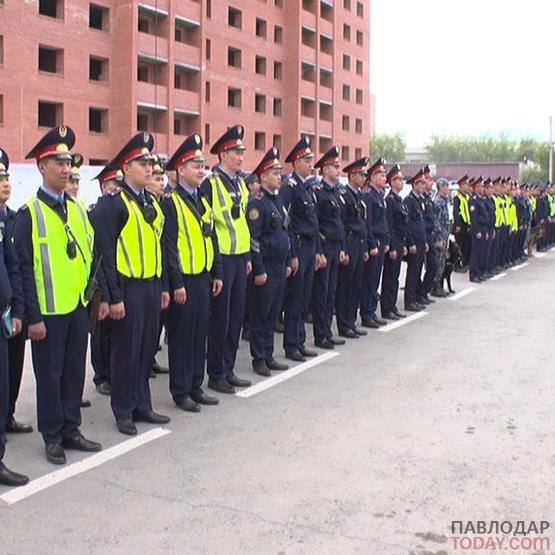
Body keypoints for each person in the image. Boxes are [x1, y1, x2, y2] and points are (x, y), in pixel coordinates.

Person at [13, 126, 102, 464]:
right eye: (58, 162)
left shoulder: (78, 209)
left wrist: (94, 299)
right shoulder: (30, 214)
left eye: (68, 162)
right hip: (47, 313)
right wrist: (33, 317)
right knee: (49, 377)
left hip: (77, 308)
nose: (66, 169)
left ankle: (71, 428)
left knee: (74, 372)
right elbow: (23, 269)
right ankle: (52, 436)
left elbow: (91, 256)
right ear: (41, 166)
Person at [95, 132, 170, 435]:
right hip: (128, 287)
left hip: (151, 285)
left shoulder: (151, 200)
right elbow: (106, 255)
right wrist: (113, 297)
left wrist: (163, 285)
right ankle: (123, 409)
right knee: (125, 350)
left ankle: (142, 404)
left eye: (151, 162)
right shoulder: (113, 203)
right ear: (126, 167)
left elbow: (159, 246)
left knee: (145, 348)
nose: (149, 167)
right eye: (142, 162)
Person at [163, 133, 222, 412]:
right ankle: (181, 389)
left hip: (203, 277)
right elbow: (170, 247)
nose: (201, 171)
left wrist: (217, 273)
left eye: (203, 165)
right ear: (181, 169)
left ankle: (196, 384)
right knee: (182, 336)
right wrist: (176, 283)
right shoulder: (171, 203)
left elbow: (213, 239)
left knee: (200, 333)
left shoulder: (204, 201)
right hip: (183, 280)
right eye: (195, 166)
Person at [200, 125, 252, 394]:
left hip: (240, 257)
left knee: (235, 317)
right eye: (235, 152)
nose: (241, 156)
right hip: (221, 258)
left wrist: (247, 256)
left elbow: (242, 223)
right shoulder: (211, 184)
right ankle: (216, 373)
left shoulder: (240, 183)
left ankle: (228, 369)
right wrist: (217, 266)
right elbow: (208, 226)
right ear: (222, 154)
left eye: (242, 152)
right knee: (219, 319)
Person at [246, 147, 291, 376]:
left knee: (273, 313)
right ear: (263, 177)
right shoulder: (257, 203)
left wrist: (288, 260)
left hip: (279, 265)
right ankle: (259, 358)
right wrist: (259, 269)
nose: (279, 176)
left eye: (279, 172)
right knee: (261, 314)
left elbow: (284, 230)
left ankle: (269, 353)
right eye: (274, 173)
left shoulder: (278, 200)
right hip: (266, 267)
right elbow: (254, 239)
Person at [0, 147, 29, 486]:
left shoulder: (7, 217)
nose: (6, 182)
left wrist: (17, 309)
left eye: (7, 176)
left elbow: (15, 267)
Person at [280, 137, 321, 362]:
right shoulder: (290, 188)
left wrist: (317, 250)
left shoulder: (307, 187)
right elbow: (287, 224)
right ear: (296, 162)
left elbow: (314, 223)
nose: (310, 163)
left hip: (310, 247)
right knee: (295, 299)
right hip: (298, 247)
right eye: (306, 160)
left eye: (311, 159)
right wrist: (292, 255)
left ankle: (300, 341)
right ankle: (291, 344)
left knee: (304, 298)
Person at [88, 161, 122, 396]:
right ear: (102, 186)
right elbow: (99, 252)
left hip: (117, 277)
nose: (115, 188)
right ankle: (101, 376)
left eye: (118, 184)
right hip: (99, 279)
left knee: (114, 333)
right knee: (100, 332)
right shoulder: (97, 211)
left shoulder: (120, 209)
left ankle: (112, 373)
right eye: (111, 184)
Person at [312, 146, 346, 350]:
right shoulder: (320, 192)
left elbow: (339, 223)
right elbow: (317, 223)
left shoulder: (335, 192)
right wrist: (320, 251)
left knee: (331, 292)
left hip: (335, 246)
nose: (338, 169)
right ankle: (320, 335)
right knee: (321, 293)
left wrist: (341, 247)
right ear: (325, 169)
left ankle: (327, 331)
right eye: (334, 166)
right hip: (324, 247)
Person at [335, 157, 369, 338]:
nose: (364, 177)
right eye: (362, 174)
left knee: (356, 285)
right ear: (352, 175)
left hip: (359, 244)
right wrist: (345, 249)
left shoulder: (360, 196)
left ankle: (351, 321)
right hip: (349, 243)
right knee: (345, 287)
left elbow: (362, 223)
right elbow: (343, 224)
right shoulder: (344, 195)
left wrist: (364, 248)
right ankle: (344, 324)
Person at [360, 158, 389, 328]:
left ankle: (371, 311)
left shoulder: (379, 195)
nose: (384, 177)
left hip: (381, 240)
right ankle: (366, 313)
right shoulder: (370, 196)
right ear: (372, 177)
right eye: (381, 174)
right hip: (374, 241)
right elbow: (368, 222)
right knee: (369, 280)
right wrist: (371, 244)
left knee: (375, 279)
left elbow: (383, 221)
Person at [381, 164, 408, 319]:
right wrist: (391, 246)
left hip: (399, 241)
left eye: (402, 179)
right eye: (398, 179)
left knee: (396, 276)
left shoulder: (399, 200)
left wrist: (403, 244)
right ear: (391, 182)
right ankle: (386, 308)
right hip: (393, 242)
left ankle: (392, 306)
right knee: (389, 276)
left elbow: (403, 225)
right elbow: (389, 224)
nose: (401, 181)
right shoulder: (390, 200)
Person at [403, 168, 428, 311]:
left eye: (424, 183)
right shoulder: (409, 201)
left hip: (420, 241)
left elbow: (421, 224)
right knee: (412, 272)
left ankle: (415, 298)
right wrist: (410, 242)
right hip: (413, 242)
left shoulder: (420, 200)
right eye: (421, 183)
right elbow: (408, 224)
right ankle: (409, 300)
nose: (424, 185)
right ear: (414, 184)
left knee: (417, 271)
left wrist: (423, 241)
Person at [418, 165, 438, 304]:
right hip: (423, 237)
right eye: (428, 180)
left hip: (430, 236)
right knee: (420, 267)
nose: (431, 182)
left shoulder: (427, 199)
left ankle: (423, 292)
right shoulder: (419, 199)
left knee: (433, 266)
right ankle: (419, 294)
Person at [431, 178, 452, 297]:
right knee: (438, 262)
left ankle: (439, 285)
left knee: (442, 261)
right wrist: (439, 238)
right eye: (446, 187)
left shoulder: (445, 201)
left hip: (444, 235)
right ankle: (435, 287)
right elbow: (436, 221)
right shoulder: (438, 202)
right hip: (439, 237)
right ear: (441, 188)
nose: (448, 189)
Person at [468, 176, 489, 282]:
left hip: (484, 227)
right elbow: (474, 218)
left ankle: (480, 272)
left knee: (482, 252)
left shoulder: (481, 199)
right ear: (475, 187)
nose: (482, 188)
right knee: (476, 253)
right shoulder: (474, 200)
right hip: (478, 229)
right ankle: (473, 274)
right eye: (480, 186)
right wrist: (477, 231)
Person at [453, 175, 471, 271]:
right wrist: (458, 225)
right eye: (466, 184)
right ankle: (457, 265)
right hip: (461, 225)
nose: (468, 186)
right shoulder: (457, 197)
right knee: (460, 245)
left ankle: (465, 263)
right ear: (461, 185)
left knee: (466, 246)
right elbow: (456, 212)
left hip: (467, 224)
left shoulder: (467, 197)